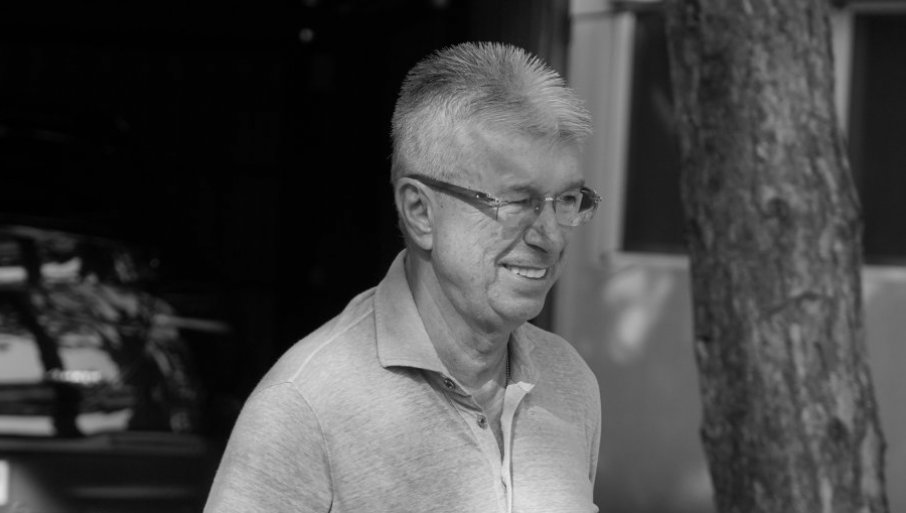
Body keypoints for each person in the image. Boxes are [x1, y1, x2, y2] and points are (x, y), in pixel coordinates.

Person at [204, 41, 602, 513]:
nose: (550, 236)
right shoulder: (304, 405)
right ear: (420, 212)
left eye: (567, 200)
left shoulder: (569, 380)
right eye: (518, 202)